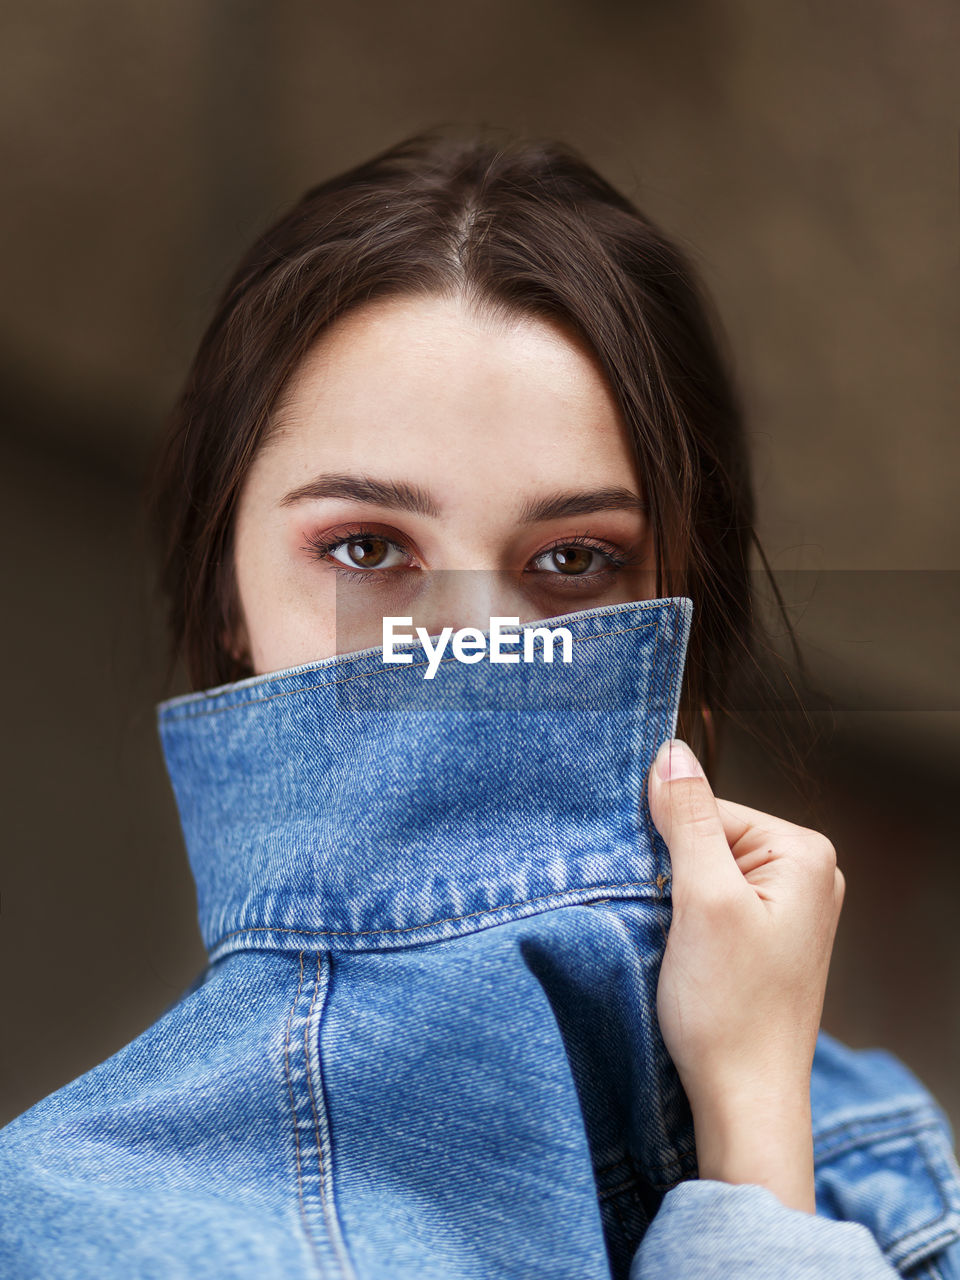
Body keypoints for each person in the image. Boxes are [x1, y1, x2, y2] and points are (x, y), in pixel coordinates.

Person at [1, 130, 958, 1279]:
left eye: (573, 562)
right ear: (226, 594)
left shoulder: (865, 1147)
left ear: (683, 603)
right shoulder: (70, 1231)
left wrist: (756, 1121)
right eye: (366, 547)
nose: (476, 653)